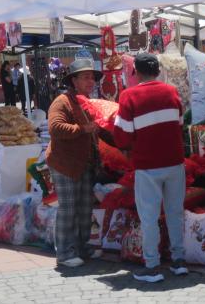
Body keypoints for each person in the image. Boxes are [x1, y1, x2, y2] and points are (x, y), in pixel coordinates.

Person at [114, 53, 188, 283]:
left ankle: (153, 266)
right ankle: (178, 262)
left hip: (147, 165)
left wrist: (130, 146)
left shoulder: (129, 96)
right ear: (157, 70)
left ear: (136, 72)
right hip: (175, 162)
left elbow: (121, 135)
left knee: (149, 217)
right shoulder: (171, 92)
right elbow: (180, 123)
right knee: (175, 212)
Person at [46, 59, 112, 268]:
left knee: (84, 208)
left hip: (84, 163)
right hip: (65, 163)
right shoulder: (62, 101)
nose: (91, 81)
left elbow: (98, 130)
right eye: (85, 77)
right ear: (73, 81)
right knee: (68, 208)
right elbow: (55, 128)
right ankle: (64, 254)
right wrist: (83, 129)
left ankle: (82, 247)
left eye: (92, 77)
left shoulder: (87, 103)